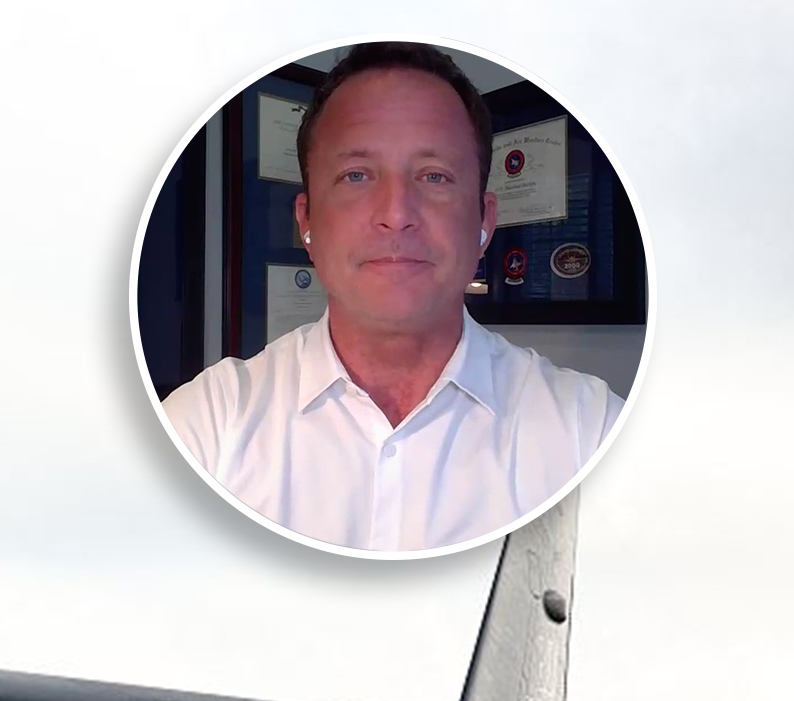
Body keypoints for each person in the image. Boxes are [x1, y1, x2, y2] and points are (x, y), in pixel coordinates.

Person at [161, 41, 623, 553]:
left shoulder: (588, 430)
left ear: (484, 222)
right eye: (356, 175)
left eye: (434, 176)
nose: (397, 213)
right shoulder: (208, 425)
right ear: (307, 221)